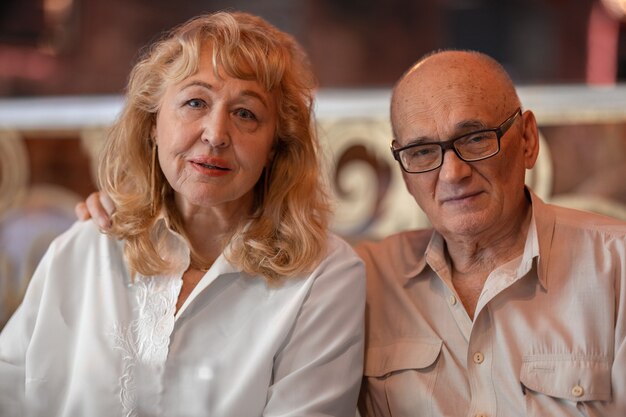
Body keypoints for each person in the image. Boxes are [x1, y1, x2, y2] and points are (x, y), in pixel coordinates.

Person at [0, 11, 365, 417]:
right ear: (153, 123)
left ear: (276, 147)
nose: (215, 134)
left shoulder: (324, 275)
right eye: (195, 102)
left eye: (246, 113)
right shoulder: (86, 248)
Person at [356, 50, 626, 416]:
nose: (452, 173)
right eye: (421, 152)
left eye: (475, 139)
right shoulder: (364, 280)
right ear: (404, 174)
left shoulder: (617, 268)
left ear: (528, 140)